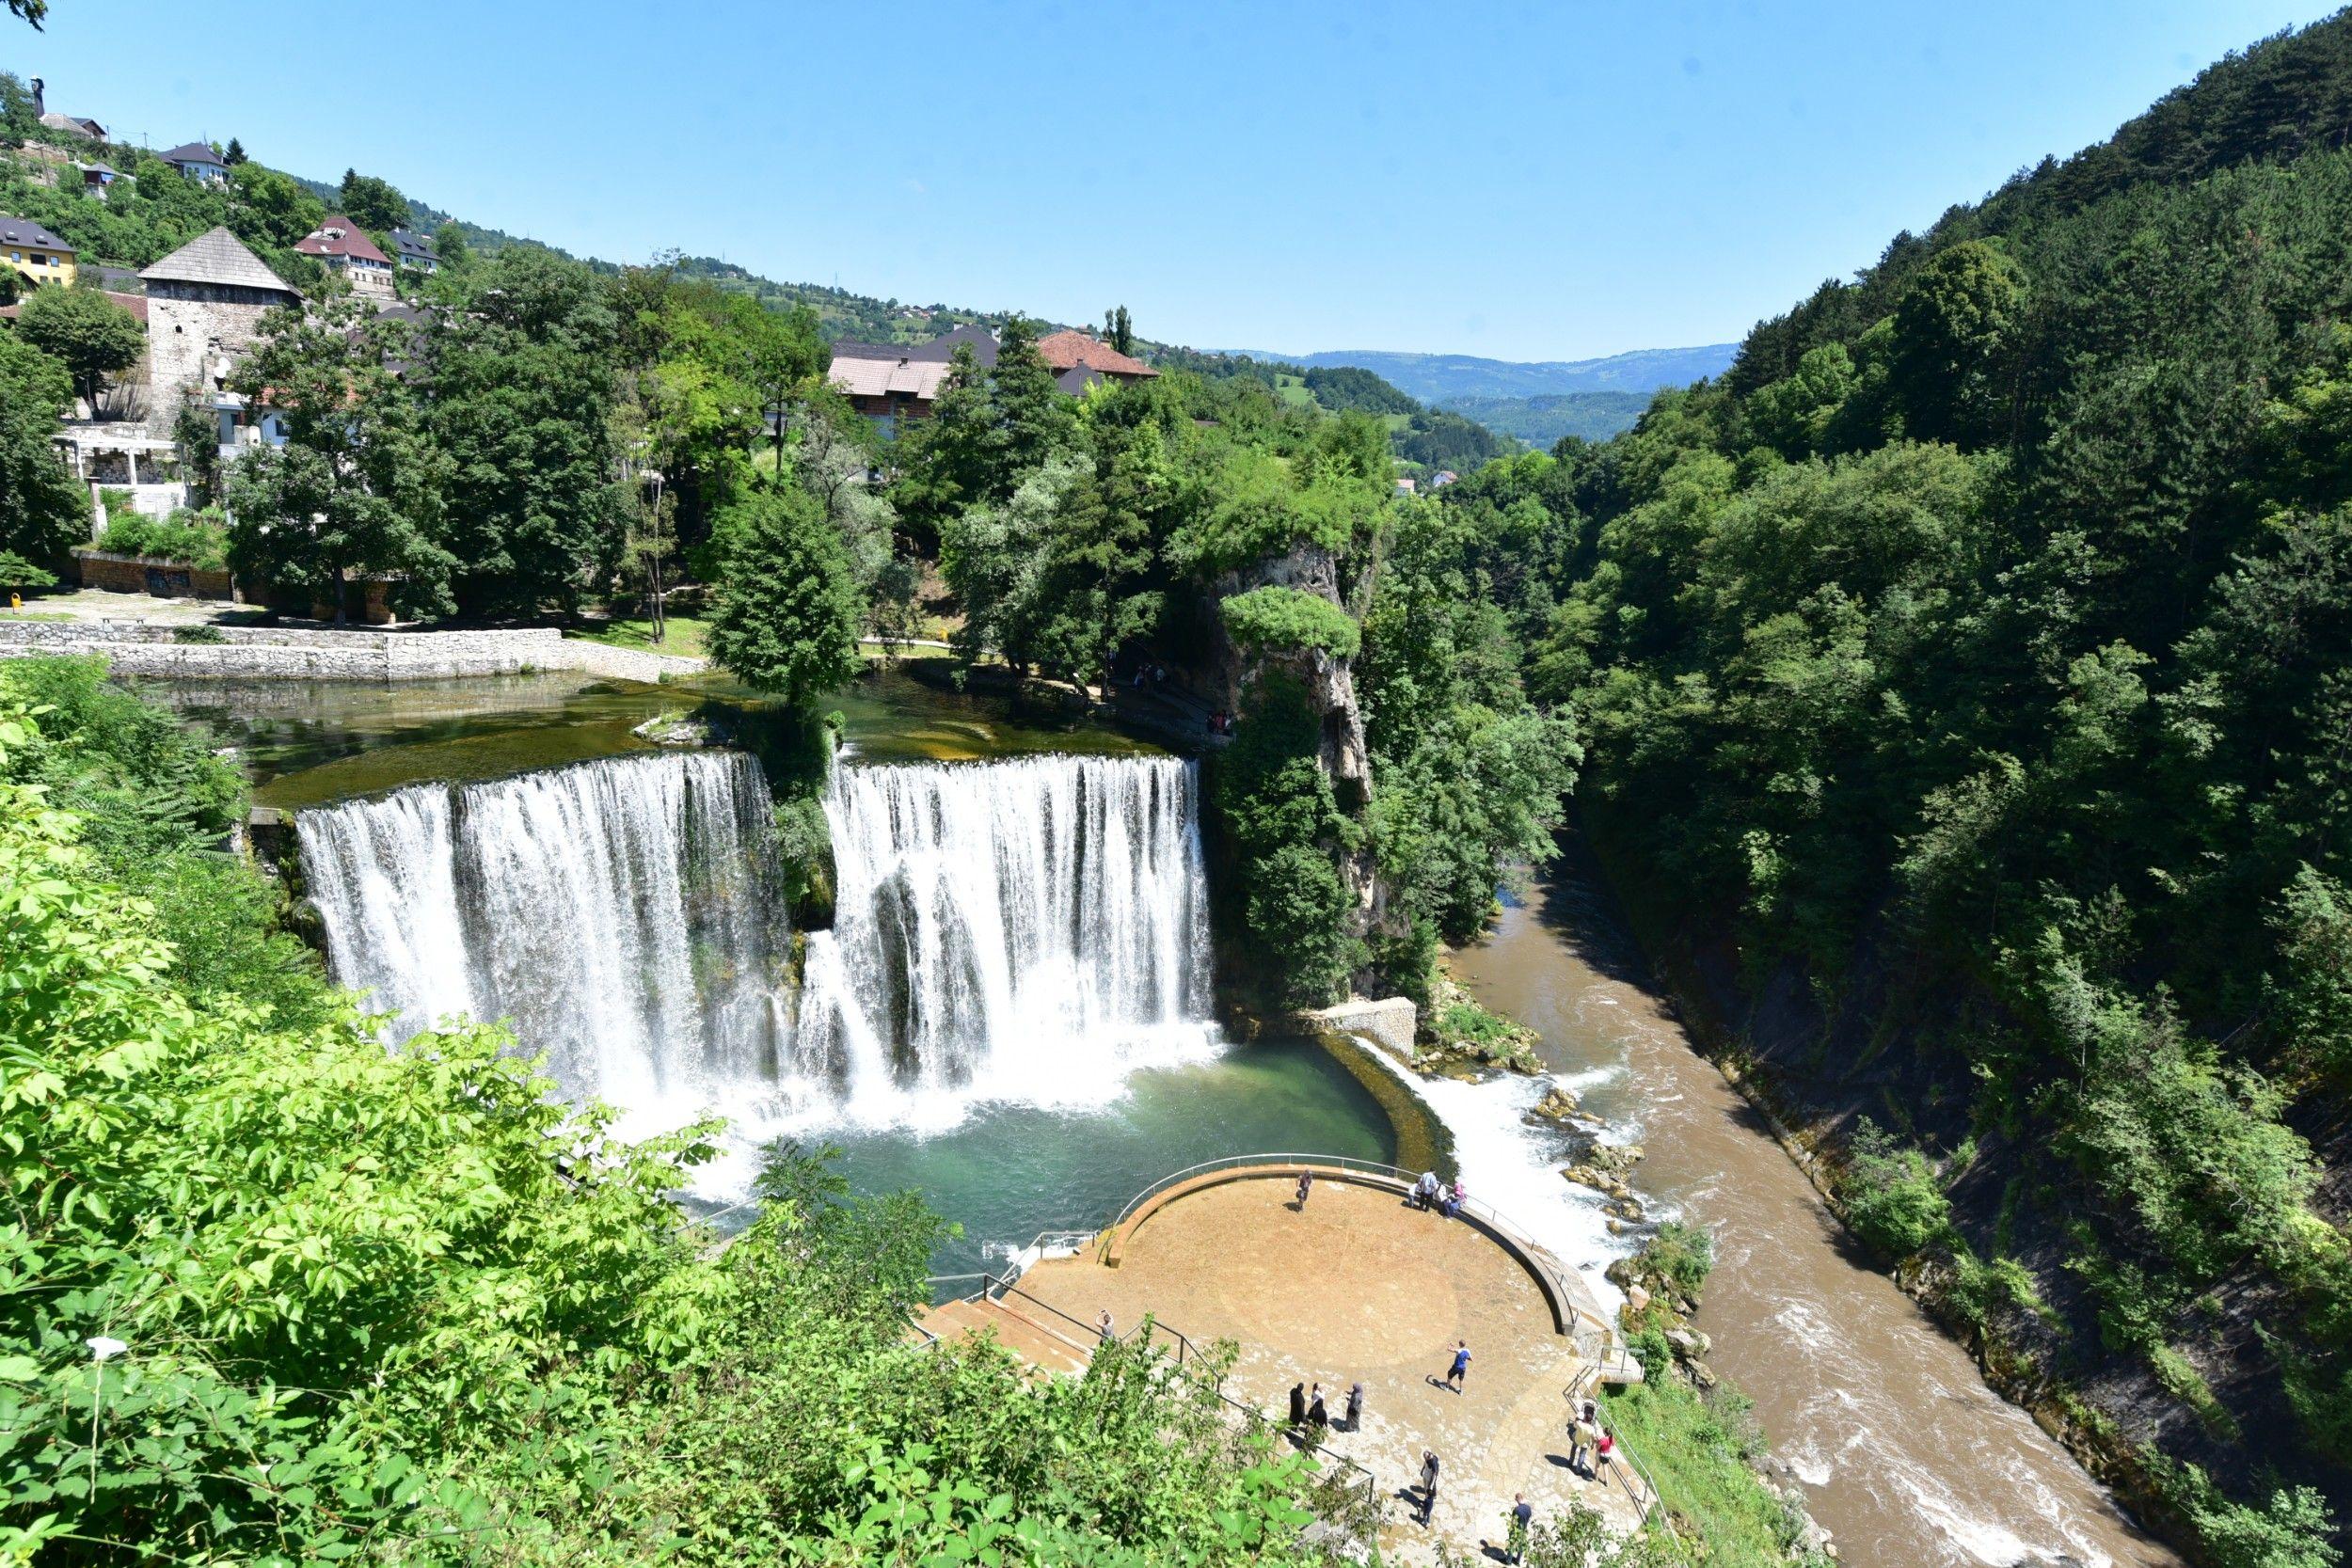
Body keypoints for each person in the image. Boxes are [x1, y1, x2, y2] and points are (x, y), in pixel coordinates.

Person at [1505, 1494, 1534, 1564]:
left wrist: (1511, 1529)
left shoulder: (1516, 1509)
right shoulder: (1528, 1508)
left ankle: (1508, 1561)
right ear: (1522, 1498)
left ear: (1517, 1499)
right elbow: (1529, 1518)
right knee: (1521, 1546)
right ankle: (1517, 1561)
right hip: (1523, 1529)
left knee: (1511, 1544)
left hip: (1515, 1530)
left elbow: (1513, 1521)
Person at [1417, 1449, 1440, 1526]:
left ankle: (1426, 1522)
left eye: (1425, 1457)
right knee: (1427, 1489)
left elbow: (1434, 1474)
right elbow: (1425, 1464)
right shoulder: (1427, 1459)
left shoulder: (1433, 1462)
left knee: (1429, 1488)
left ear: (1428, 1457)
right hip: (1426, 1476)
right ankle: (1428, 1520)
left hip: (1429, 1478)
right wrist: (1422, 1470)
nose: (1424, 1459)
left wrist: (1430, 1486)